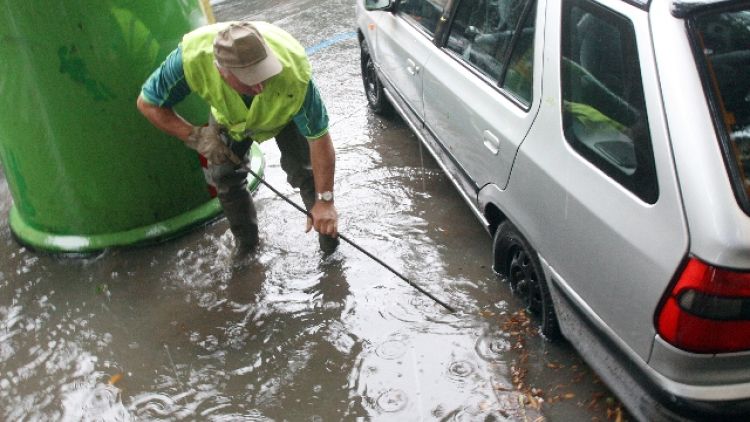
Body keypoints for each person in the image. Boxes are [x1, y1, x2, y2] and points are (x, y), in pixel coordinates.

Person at [136, 21, 339, 254]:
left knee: (307, 174)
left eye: (265, 73)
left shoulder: (294, 71)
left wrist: (326, 201)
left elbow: (319, 138)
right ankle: (246, 247)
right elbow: (148, 104)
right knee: (223, 175)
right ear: (220, 70)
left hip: (284, 110)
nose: (261, 86)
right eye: (250, 79)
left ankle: (329, 249)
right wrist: (197, 137)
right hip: (231, 118)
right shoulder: (190, 59)